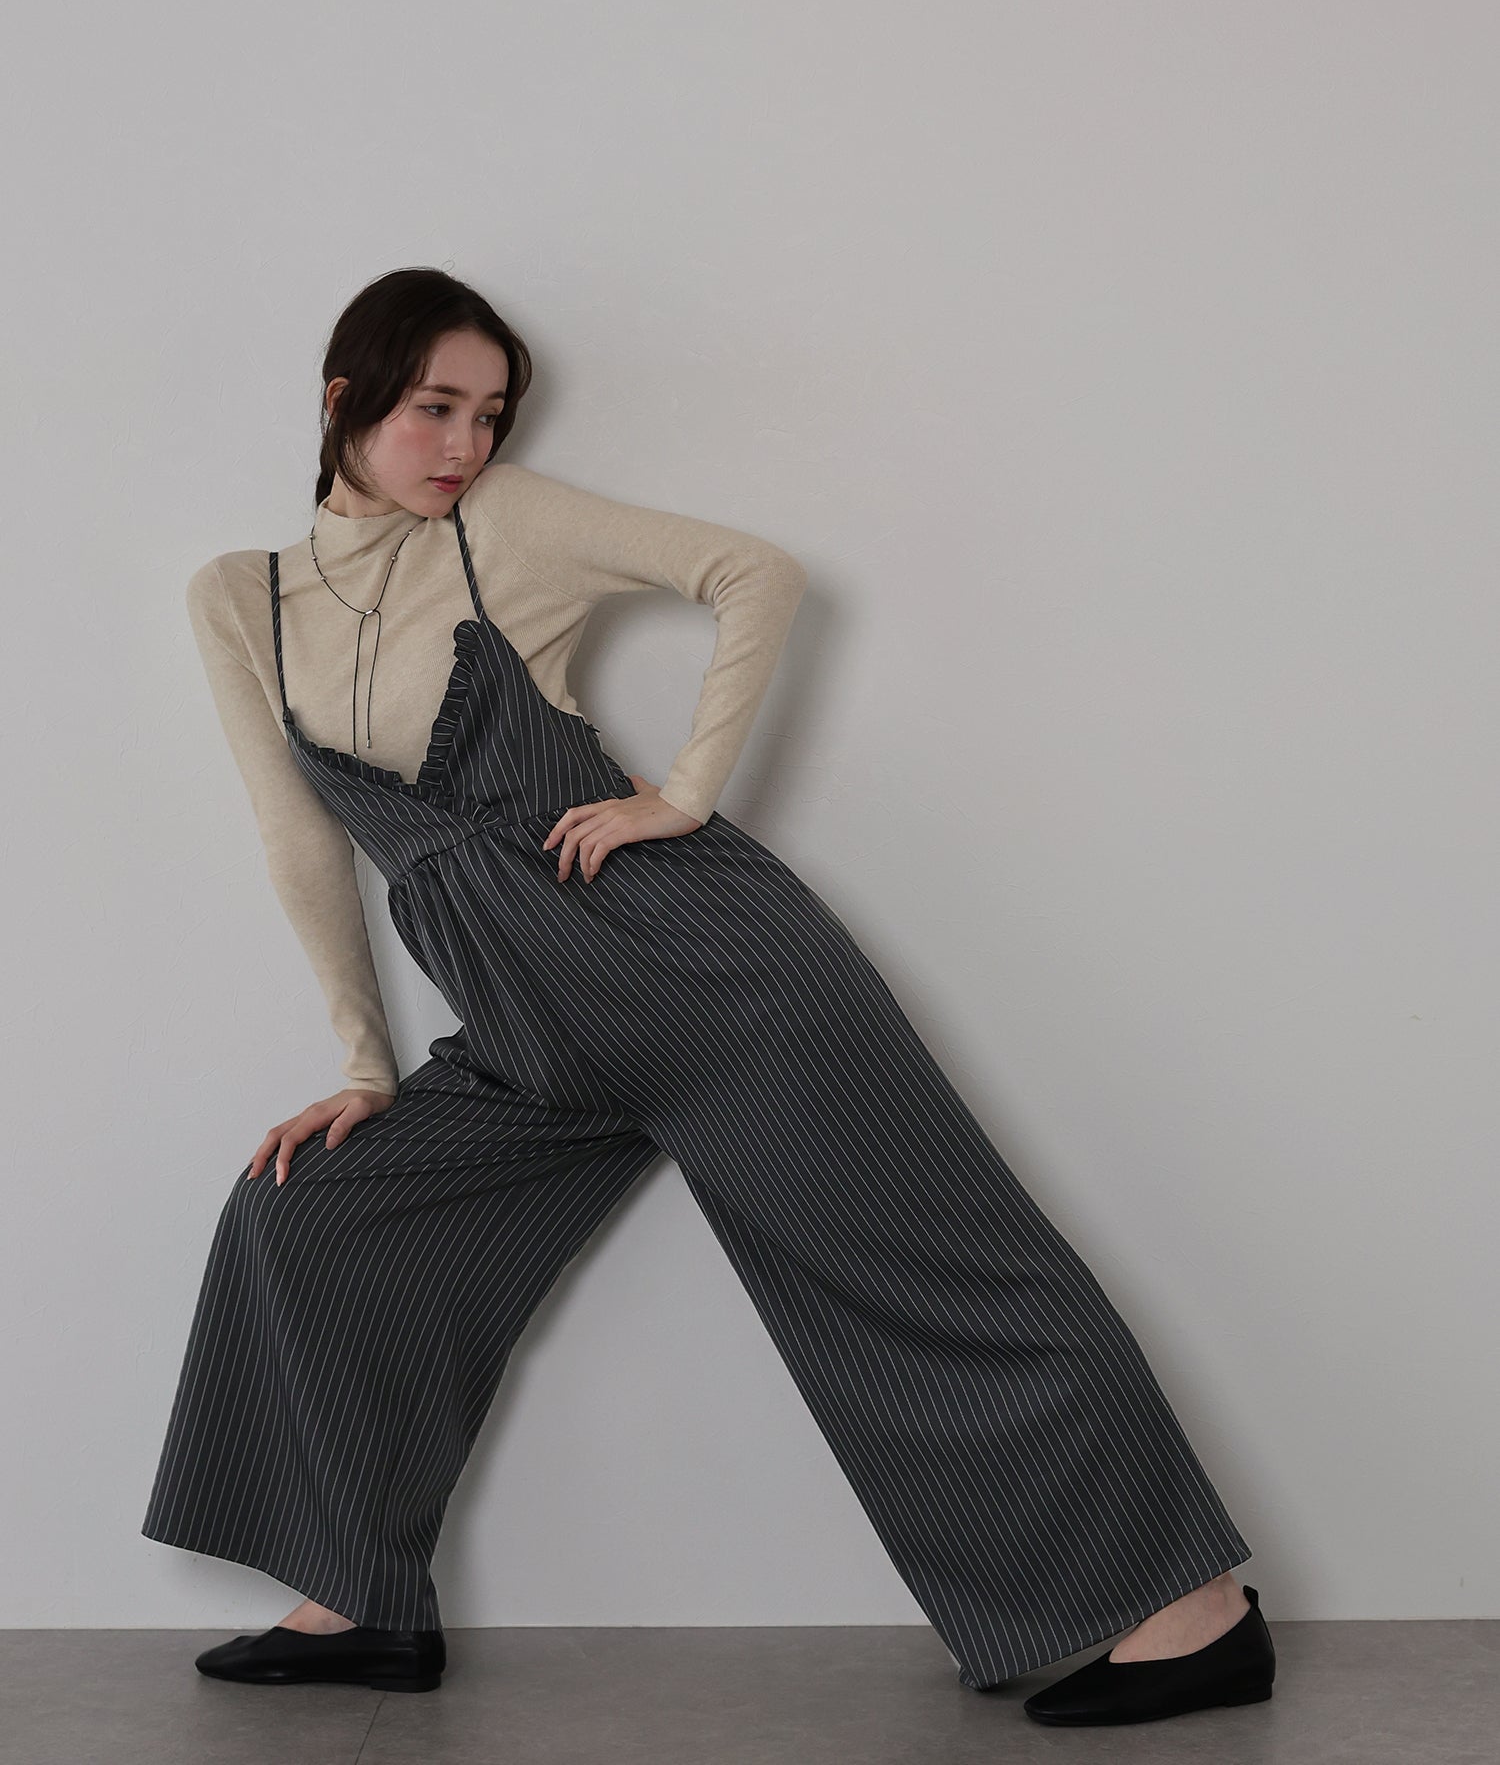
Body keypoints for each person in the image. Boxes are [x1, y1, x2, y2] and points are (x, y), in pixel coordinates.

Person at [141, 267, 1275, 1725]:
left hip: (705, 970)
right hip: (530, 1027)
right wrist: (365, 1070)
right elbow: (300, 841)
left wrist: (681, 793)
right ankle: (358, 1601)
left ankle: (1194, 1615)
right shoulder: (241, 598)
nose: (465, 445)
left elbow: (754, 572)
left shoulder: (504, 525)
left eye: (489, 415)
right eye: (435, 408)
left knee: (934, 1266)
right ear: (342, 399)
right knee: (308, 1220)